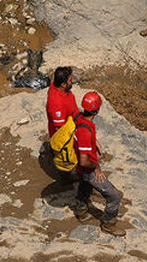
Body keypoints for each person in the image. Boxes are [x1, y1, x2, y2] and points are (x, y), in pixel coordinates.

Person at [73, 91, 126, 237]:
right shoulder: (86, 131)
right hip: (87, 168)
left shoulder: (79, 118)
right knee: (114, 196)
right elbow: (85, 161)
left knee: (86, 186)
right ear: (97, 110)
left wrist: (94, 143)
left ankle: (82, 211)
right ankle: (108, 224)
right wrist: (96, 168)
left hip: (82, 168)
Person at [46, 66, 78, 137]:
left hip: (72, 122)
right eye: (70, 80)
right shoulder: (56, 104)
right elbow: (60, 129)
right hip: (65, 138)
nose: (72, 82)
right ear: (63, 85)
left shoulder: (60, 88)